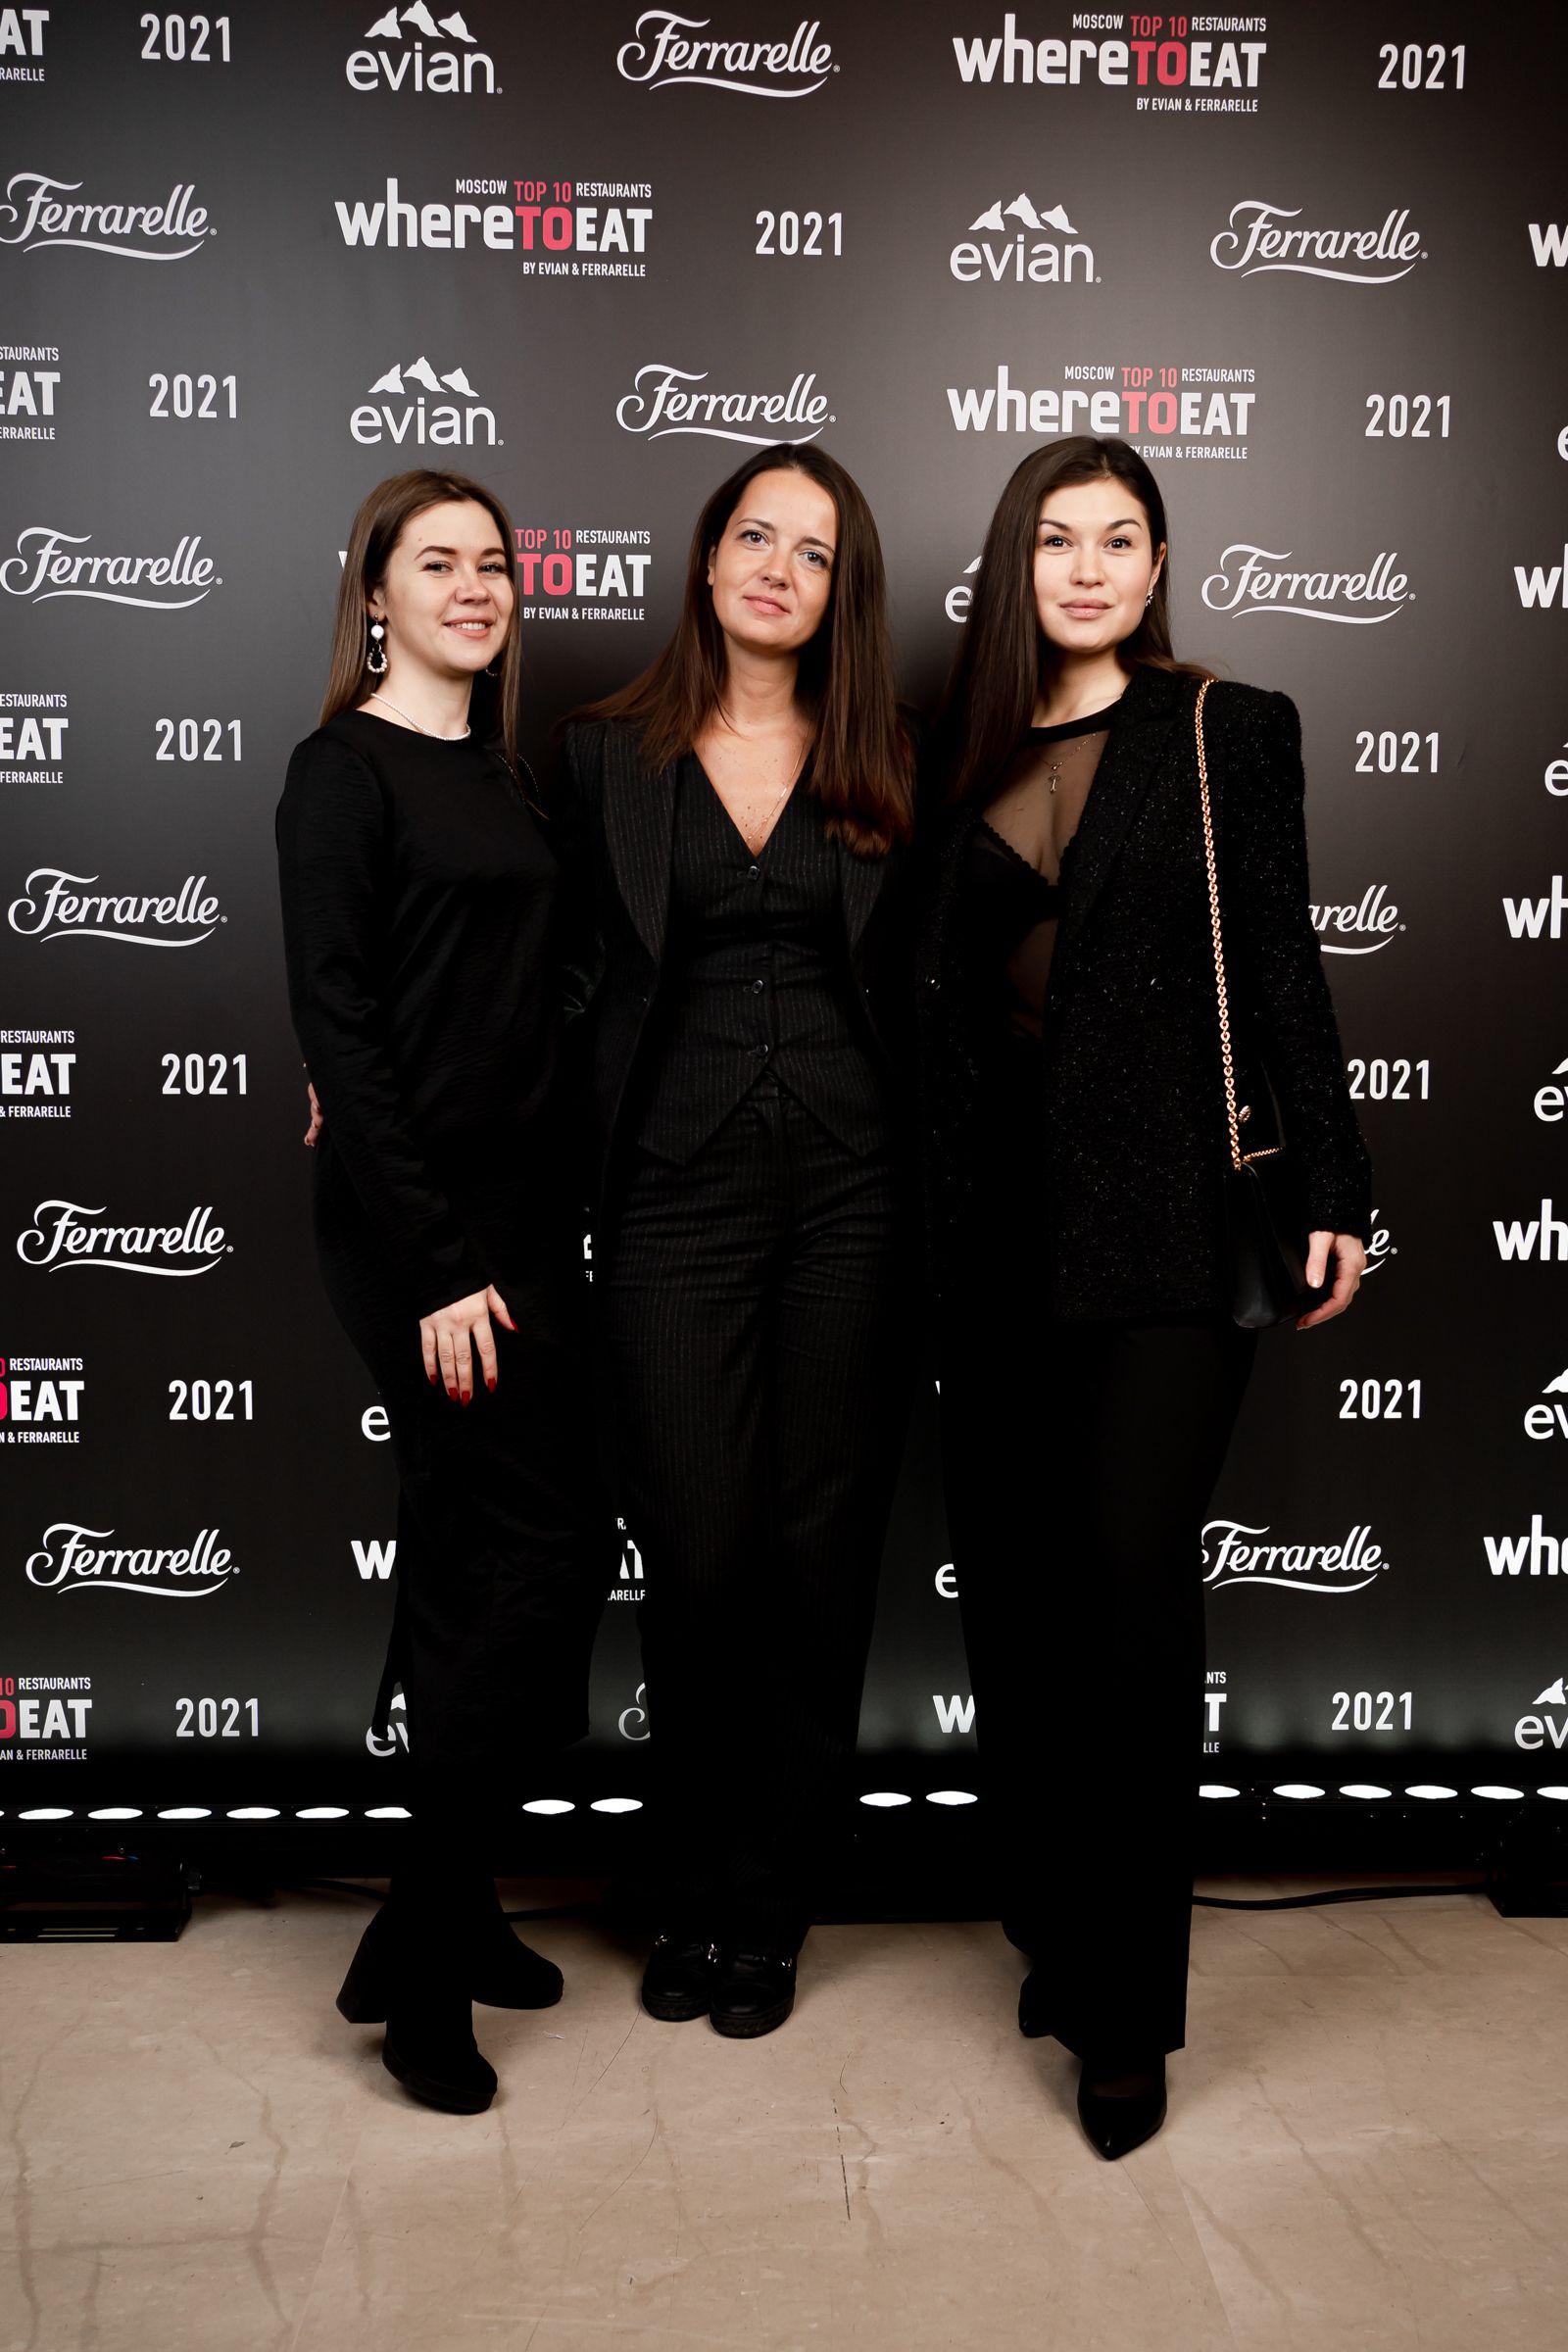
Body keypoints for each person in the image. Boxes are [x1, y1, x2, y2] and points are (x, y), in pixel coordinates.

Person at [917, 436, 1370, 2159]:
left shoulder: (1225, 729)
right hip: (991, 1237)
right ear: (1016, 564)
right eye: (1058, 539)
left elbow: (1284, 962)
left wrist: (1332, 1189)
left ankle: (1126, 2016)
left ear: (1161, 563)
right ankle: (1056, 1924)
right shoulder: (955, 752)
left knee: (1125, 1601)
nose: (1090, 567)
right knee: (1019, 1603)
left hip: (1171, 1231)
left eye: (1120, 538)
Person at [556, 443, 917, 2037]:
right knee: (699, 1555)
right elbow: (533, 968)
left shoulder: (895, 757)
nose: (778, 567)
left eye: (813, 552)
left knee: (819, 1556)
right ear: (707, 561)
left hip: (857, 1200)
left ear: (843, 593)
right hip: (670, 1200)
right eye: (755, 536)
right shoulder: (600, 756)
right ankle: (691, 1887)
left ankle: (768, 1909)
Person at [276, 468, 610, 2116]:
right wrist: (436, 1265)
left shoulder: (504, 773)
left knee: (475, 1562)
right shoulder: (341, 771)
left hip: (524, 1223)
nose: (475, 586)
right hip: (423, 1240)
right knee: (541, 1550)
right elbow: (338, 1023)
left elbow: (519, 997)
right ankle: (419, 1957)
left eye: (493, 563)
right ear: (376, 597)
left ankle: (454, 1908)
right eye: (437, 563)